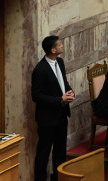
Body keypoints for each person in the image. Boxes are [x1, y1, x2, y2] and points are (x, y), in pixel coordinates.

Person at [32, 35, 74, 181]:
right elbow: (36, 96)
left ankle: (58, 178)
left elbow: (63, 82)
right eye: (59, 45)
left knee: (60, 151)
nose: (62, 46)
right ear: (52, 49)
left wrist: (69, 92)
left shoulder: (60, 62)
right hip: (47, 119)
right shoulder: (40, 69)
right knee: (43, 152)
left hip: (62, 114)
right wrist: (59, 100)